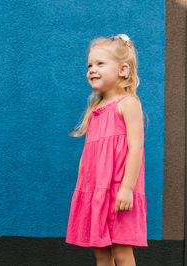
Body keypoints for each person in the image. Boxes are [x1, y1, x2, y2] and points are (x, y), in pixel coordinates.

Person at [65, 34, 148, 266]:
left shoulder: (128, 104)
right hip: (95, 193)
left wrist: (127, 189)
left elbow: (136, 149)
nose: (92, 69)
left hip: (120, 192)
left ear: (122, 69)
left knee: (121, 251)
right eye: (90, 65)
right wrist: (83, 189)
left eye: (100, 64)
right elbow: (88, 154)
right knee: (101, 253)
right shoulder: (95, 109)